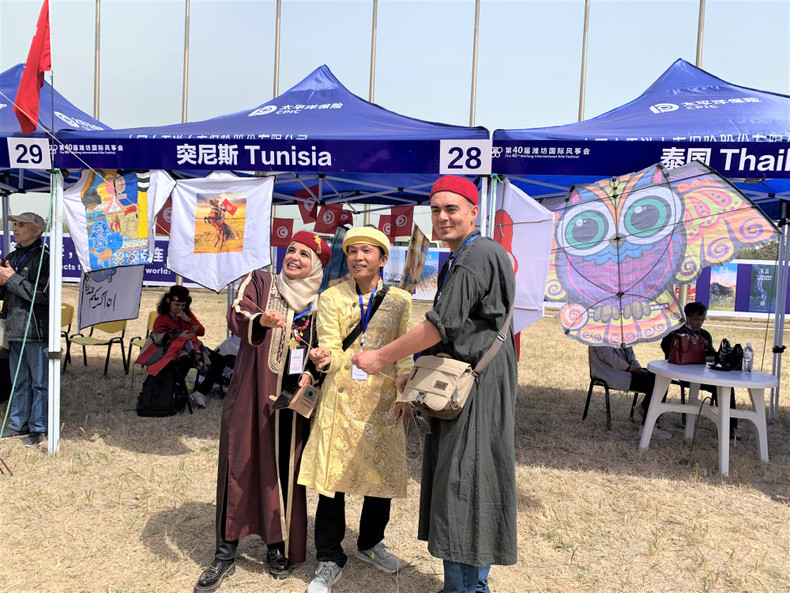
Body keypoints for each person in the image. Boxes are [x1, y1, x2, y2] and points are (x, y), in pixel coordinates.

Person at [352, 176, 517, 593]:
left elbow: (438, 325)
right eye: (436, 209)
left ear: (474, 211)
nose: (442, 217)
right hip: (474, 379)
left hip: (473, 388)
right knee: (472, 478)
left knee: (461, 483)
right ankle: (475, 583)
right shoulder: (475, 254)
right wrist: (421, 368)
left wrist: (381, 357)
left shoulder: (473, 257)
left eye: (452, 209)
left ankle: (462, 589)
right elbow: (458, 330)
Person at [194, 232, 330, 593]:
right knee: (239, 462)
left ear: (316, 265)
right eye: (291, 250)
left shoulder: (321, 305)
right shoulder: (261, 281)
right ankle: (225, 552)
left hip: (288, 404)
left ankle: (277, 546)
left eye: (304, 254)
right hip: (250, 391)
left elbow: (325, 349)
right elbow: (238, 313)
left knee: (281, 473)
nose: (294, 257)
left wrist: (314, 367)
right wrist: (261, 321)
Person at [299, 227, 413, 593]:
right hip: (340, 402)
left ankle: (369, 544)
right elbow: (331, 348)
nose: (359, 258)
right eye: (352, 252)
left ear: (382, 259)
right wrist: (323, 356)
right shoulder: (330, 298)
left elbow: (406, 355)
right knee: (332, 483)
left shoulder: (400, 300)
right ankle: (329, 558)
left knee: (378, 480)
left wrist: (405, 396)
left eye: (368, 251)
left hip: (382, 403)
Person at [0, 212, 50, 447]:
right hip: (14, 327)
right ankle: (17, 424)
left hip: (36, 330)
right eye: (15, 225)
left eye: (22, 225)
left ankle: (38, 427)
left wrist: (11, 279)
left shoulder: (45, 258)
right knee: (18, 381)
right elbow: (6, 293)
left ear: (37, 231)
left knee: (39, 382)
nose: (16, 228)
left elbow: (43, 295)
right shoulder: (11, 256)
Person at [660, 301, 738, 435]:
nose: (699, 323)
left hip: (702, 376)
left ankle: (729, 427)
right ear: (687, 317)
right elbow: (668, 354)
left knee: (725, 387)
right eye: (696, 319)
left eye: (702, 320)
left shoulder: (705, 335)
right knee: (661, 380)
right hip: (682, 375)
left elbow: (712, 355)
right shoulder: (674, 334)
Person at [138, 285, 211, 408]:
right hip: (172, 352)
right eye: (177, 305)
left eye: (183, 305)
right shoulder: (162, 318)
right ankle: (175, 391)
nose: (180, 308)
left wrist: (188, 320)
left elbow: (201, 332)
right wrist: (178, 335)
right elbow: (157, 337)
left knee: (219, 361)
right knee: (185, 361)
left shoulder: (187, 315)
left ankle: (201, 392)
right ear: (168, 301)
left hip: (193, 348)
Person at [588, 345, 668, 439]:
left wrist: (637, 368)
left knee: (660, 377)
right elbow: (607, 356)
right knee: (655, 382)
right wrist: (629, 368)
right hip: (609, 374)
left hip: (624, 371)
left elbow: (629, 353)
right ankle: (647, 426)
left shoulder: (620, 332)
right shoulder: (601, 334)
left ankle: (645, 409)